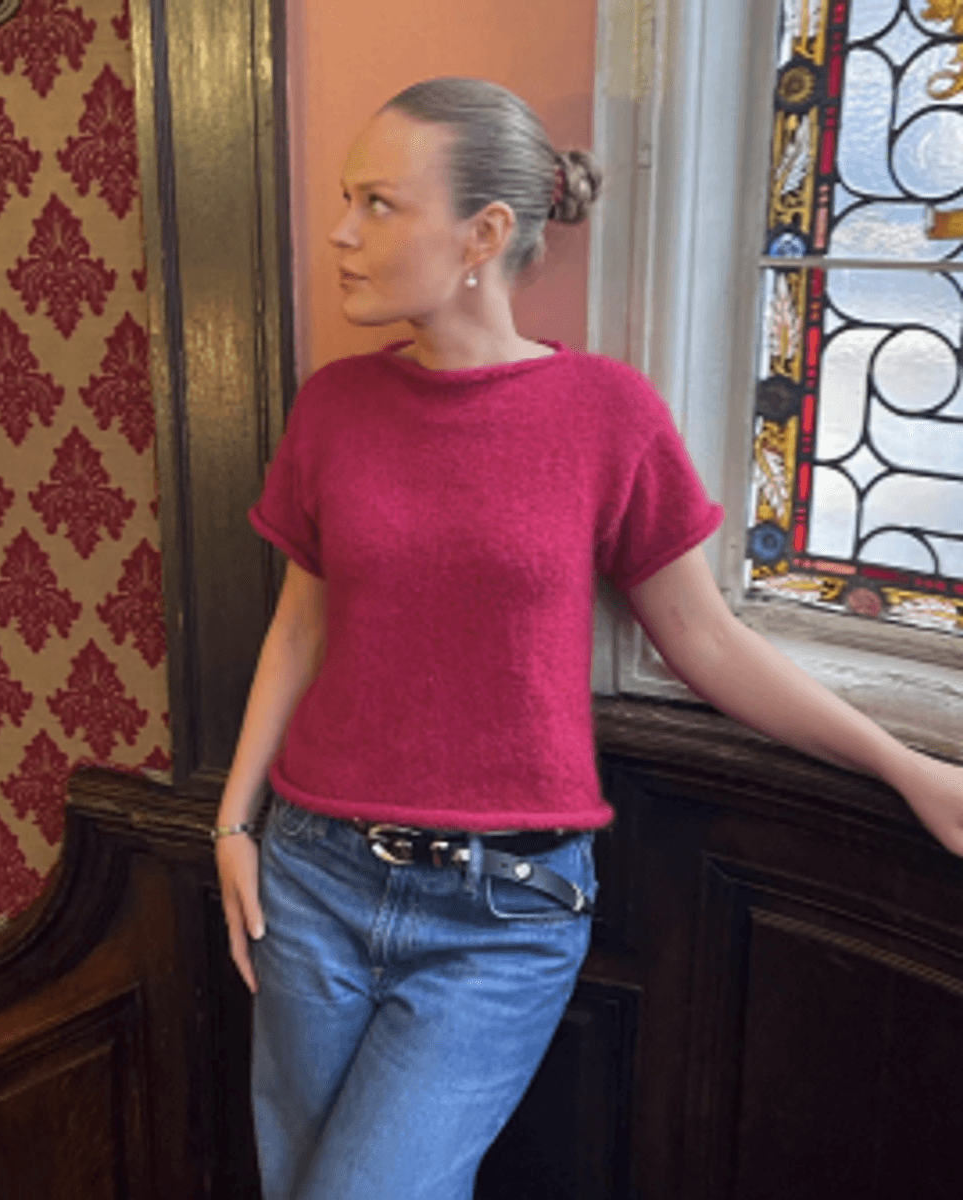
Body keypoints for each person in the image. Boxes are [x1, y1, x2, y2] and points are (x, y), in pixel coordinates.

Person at [213, 77, 963, 1200]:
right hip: (311, 877)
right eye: (345, 200)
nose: (341, 233)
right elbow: (298, 627)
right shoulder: (335, 406)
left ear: (485, 233)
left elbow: (708, 644)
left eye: (377, 203)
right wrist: (233, 821)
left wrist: (907, 768)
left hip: (501, 915)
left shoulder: (608, 416)